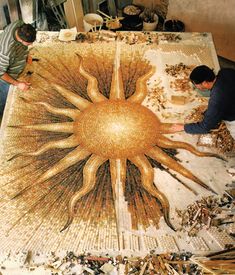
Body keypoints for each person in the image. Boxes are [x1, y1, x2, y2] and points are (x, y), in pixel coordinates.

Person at [170, 65, 235, 139]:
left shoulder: (216, 99)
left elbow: (205, 127)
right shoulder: (225, 71)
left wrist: (183, 127)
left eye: (196, 85)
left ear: (204, 83)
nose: (196, 87)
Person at [0, 20, 36, 116]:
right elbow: (1, 73)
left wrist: (26, 54)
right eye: (29, 44)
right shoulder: (6, 51)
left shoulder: (20, 24)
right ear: (21, 40)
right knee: (5, 102)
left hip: (13, 61)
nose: (31, 45)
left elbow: (23, 46)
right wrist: (18, 83)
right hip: (4, 78)